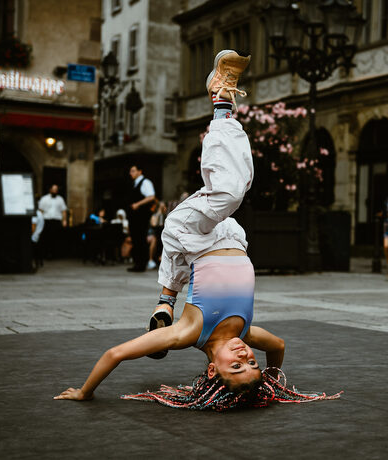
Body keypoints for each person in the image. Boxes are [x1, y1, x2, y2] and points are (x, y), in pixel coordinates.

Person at [55, 50, 339, 410]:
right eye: (252, 361)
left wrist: (85, 391)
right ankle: (165, 300)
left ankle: (220, 100)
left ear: (211, 372)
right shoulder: (246, 332)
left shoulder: (188, 334)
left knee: (230, 191)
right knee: (243, 182)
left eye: (236, 365)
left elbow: (116, 353)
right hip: (229, 236)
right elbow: (279, 346)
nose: (246, 355)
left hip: (193, 233)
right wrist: (269, 379)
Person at [126, 164, 155, 272]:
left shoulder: (145, 182)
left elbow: (151, 196)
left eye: (133, 171)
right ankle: (138, 263)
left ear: (140, 171)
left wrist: (138, 204)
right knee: (136, 239)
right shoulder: (135, 183)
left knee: (141, 239)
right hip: (135, 217)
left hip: (141, 217)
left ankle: (141, 264)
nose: (131, 173)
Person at [38, 184, 68, 259]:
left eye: (56, 189)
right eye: (54, 189)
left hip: (56, 220)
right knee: (46, 238)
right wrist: (39, 221)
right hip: (47, 220)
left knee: (56, 238)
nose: (55, 191)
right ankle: (46, 254)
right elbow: (40, 211)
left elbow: (63, 211)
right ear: (50, 190)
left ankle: (55, 254)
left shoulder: (60, 199)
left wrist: (64, 220)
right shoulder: (44, 199)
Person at [146, 201, 167, 270]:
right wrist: (159, 213)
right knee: (155, 239)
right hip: (153, 234)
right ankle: (151, 259)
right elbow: (154, 224)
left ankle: (162, 257)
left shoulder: (166, 216)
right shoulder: (154, 215)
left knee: (165, 239)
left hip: (161, 234)